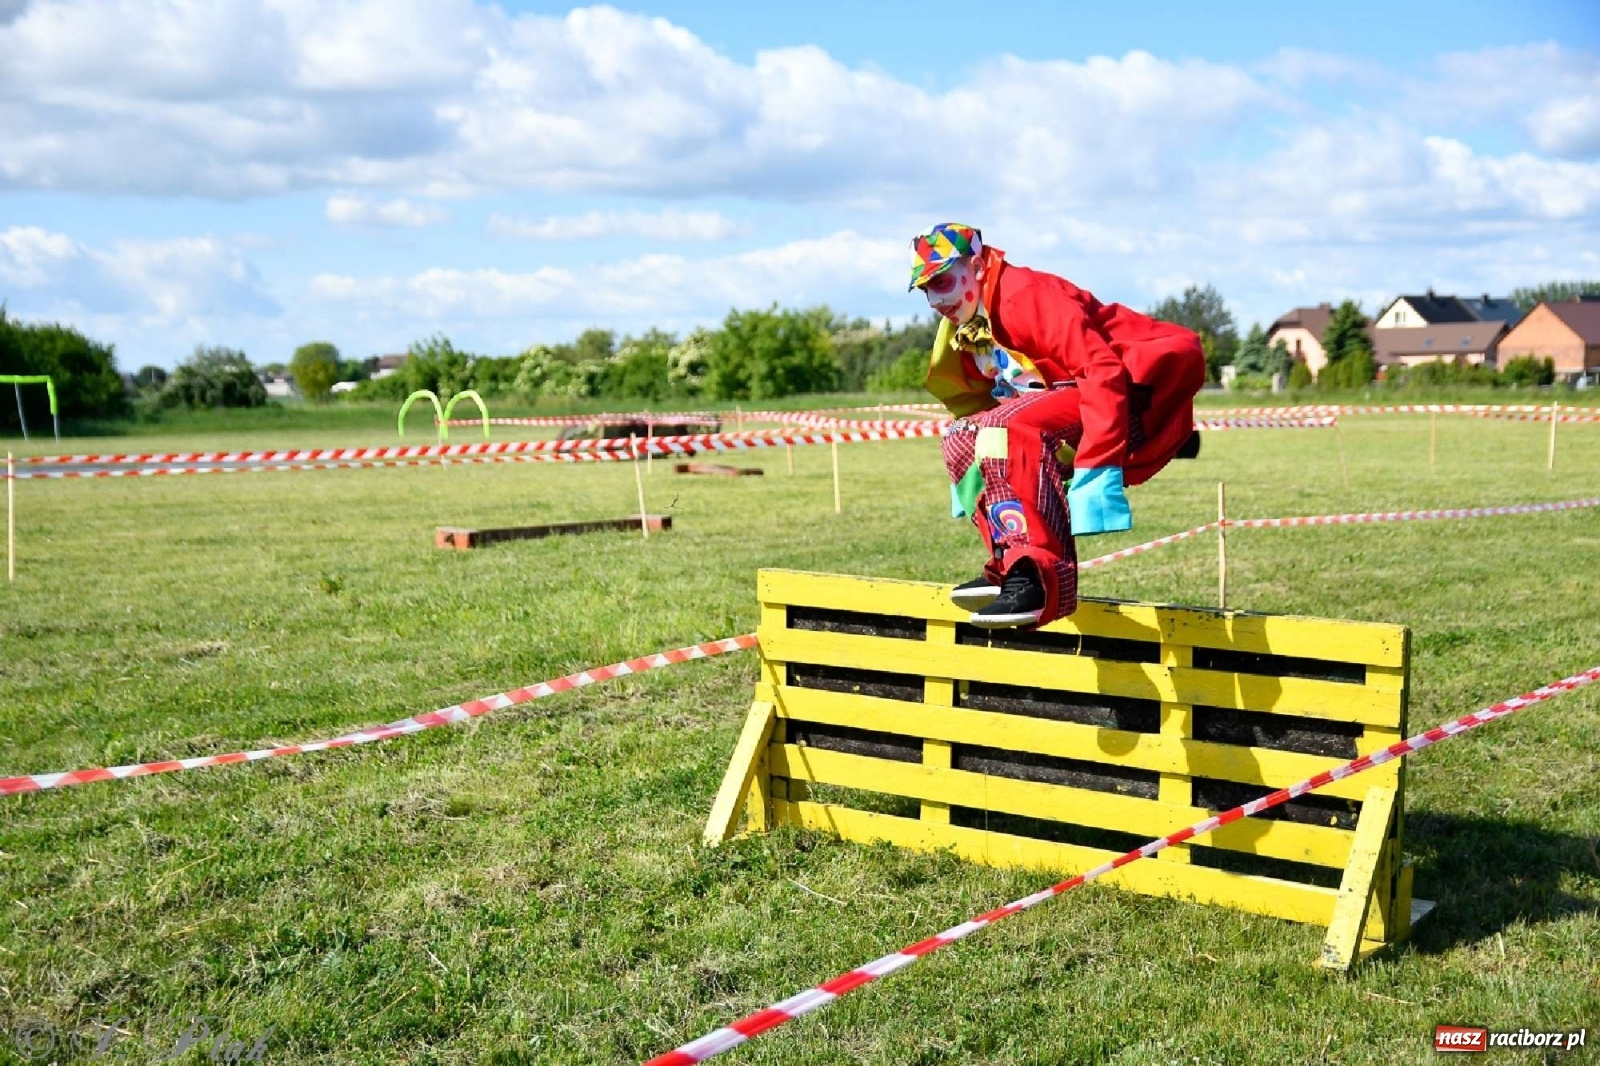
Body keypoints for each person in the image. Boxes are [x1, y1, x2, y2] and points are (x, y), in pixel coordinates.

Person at [908, 222, 1206, 629]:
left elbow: (1101, 369)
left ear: (977, 267)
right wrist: (974, 462)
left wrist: (1099, 465)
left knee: (1002, 430)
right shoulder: (970, 324)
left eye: (941, 283)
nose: (933, 301)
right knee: (962, 436)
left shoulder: (1023, 296)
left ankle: (1039, 578)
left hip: (1126, 398)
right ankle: (1009, 562)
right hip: (1066, 403)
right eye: (926, 289)